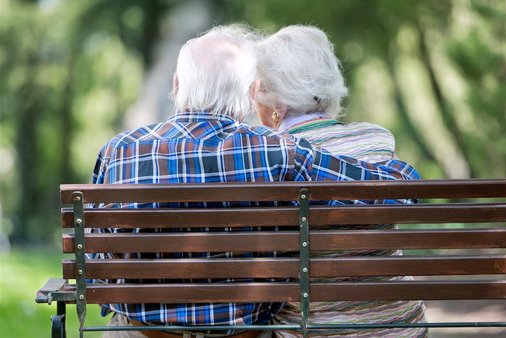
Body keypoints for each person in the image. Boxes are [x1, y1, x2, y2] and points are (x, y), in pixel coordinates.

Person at [89, 24, 421, 338]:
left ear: (176, 85)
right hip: (243, 333)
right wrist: (405, 174)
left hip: (143, 332)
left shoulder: (118, 151)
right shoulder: (275, 151)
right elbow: (396, 193)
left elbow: (97, 259)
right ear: (250, 93)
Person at [252, 25, 427, 338]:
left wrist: (270, 122)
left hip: (313, 330)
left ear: (271, 97)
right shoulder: (375, 138)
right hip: (398, 325)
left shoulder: (268, 156)